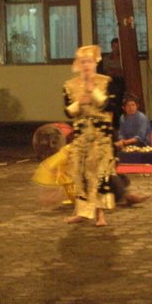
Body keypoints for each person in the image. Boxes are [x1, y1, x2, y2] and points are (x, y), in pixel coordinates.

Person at [63, 44, 117, 226]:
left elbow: (109, 106)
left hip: (100, 134)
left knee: (98, 173)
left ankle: (100, 214)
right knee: (78, 172)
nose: (86, 65)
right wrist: (79, 103)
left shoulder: (105, 82)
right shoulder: (70, 85)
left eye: (90, 62)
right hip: (81, 133)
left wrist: (92, 92)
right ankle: (83, 211)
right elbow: (67, 111)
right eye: (83, 62)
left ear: (95, 63)